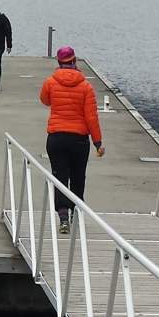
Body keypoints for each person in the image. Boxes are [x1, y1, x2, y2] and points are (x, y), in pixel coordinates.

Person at [39, 46, 103, 234]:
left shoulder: (50, 82)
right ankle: (76, 213)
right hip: (79, 140)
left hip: (57, 137)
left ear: (59, 62)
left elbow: (45, 100)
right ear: (75, 62)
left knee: (60, 177)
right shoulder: (86, 86)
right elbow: (91, 117)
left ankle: (63, 217)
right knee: (77, 177)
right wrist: (98, 143)